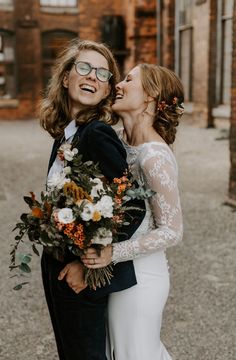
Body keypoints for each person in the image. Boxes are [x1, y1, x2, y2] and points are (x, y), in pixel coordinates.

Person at [39, 39, 145, 360]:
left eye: (102, 74)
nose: (92, 77)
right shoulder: (67, 133)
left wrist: (88, 263)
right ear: (67, 76)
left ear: (107, 90)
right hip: (55, 262)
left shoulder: (97, 133)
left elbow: (134, 202)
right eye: (84, 68)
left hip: (80, 273)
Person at [82, 63, 184, 359]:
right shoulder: (117, 141)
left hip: (142, 278)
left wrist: (111, 253)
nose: (118, 84)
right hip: (117, 273)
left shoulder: (154, 157)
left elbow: (172, 231)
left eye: (129, 79)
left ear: (150, 95)